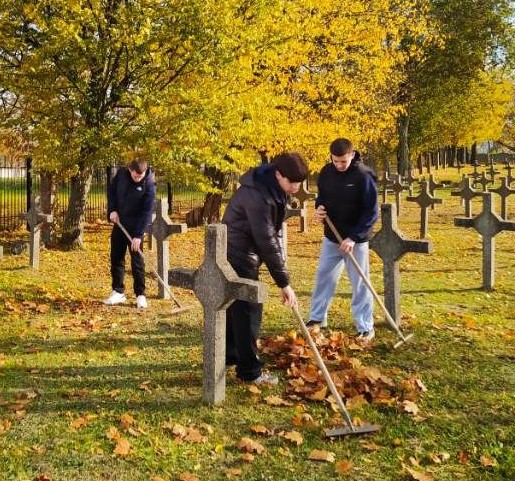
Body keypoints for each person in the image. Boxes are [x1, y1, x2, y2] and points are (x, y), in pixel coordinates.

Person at [222, 152, 308, 384]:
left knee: (237, 308)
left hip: (242, 250)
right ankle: (250, 371)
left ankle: (231, 357)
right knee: (249, 310)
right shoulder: (258, 195)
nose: (295, 188)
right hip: (238, 252)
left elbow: (271, 232)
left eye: (299, 183)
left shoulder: (269, 186)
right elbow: (267, 239)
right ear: (278, 174)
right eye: (292, 182)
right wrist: (284, 283)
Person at [307, 138, 378, 341]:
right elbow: (322, 198)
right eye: (336, 161)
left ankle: (365, 327)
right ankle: (317, 319)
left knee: (360, 282)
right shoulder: (325, 172)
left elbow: (371, 213)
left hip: (356, 241)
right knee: (324, 277)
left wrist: (353, 238)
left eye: (343, 161)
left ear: (352, 155)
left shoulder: (364, 175)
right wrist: (319, 209)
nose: (339, 165)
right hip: (332, 237)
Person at [103, 158, 156, 308]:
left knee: (137, 262)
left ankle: (140, 295)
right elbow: (112, 192)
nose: (138, 178)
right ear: (130, 170)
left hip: (136, 227)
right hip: (120, 223)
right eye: (136, 175)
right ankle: (118, 292)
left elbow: (147, 212)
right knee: (117, 258)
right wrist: (112, 210)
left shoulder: (149, 184)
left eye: (141, 176)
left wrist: (138, 235)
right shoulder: (121, 175)